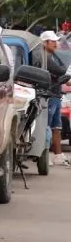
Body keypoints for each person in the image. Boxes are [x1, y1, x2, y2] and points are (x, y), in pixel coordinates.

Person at [39, 31, 69, 166]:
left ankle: (58, 155)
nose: (56, 44)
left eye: (56, 41)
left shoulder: (54, 56)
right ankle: (44, 155)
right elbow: (60, 70)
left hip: (56, 95)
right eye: (52, 41)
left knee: (56, 127)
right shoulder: (44, 58)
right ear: (45, 43)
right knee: (47, 126)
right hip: (49, 95)